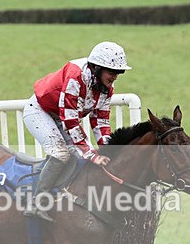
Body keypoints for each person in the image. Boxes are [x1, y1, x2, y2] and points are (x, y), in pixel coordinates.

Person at [22, 41, 131, 221]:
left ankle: (62, 198)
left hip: (61, 116)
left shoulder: (106, 88)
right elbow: (71, 120)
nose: (115, 77)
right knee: (60, 154)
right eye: (112, 72)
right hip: (40, 111)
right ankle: (36, 203)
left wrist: (108, 149)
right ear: (97, 68)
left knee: (78, 157)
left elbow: (101, 120)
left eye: (118, 73)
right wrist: (91, 153)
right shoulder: (75, 76)